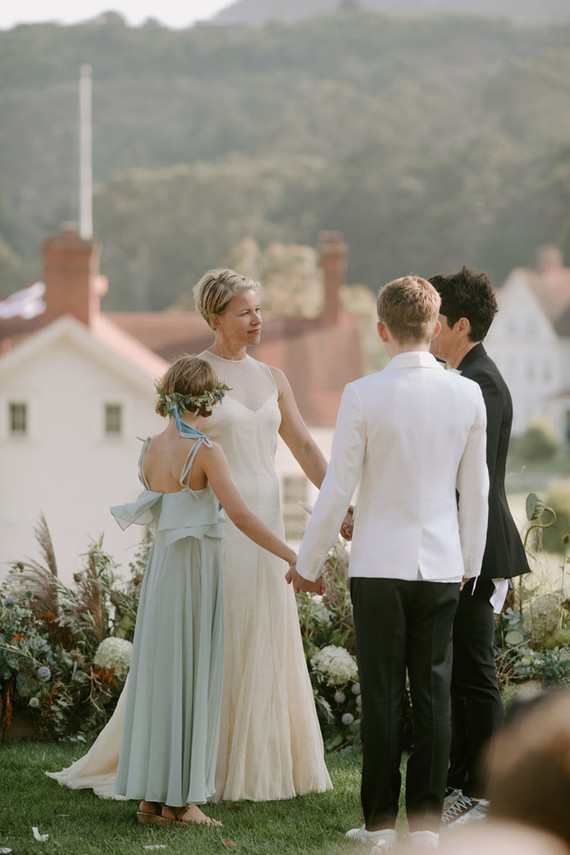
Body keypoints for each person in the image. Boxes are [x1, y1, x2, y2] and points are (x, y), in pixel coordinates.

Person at [48, 269, 332, 803]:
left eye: (258, 310)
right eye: (245, 311)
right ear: (214, 316)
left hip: (264, 517)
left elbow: (304, 448)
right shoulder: (192, 375)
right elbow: (173, 452)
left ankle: (262, 764)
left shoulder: (275, 378)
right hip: (217, 524)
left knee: (261, 629)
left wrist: (341, 505)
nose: (257, 320)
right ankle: (198, 767)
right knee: (213, 635)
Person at [287, 275, 489, 850]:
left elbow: (335, 491)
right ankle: (424, 827)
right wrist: (468, 561)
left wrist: (308, 563)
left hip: (378, 565)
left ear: (382, 329)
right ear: (434, 325)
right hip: (443, 565)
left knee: (379, 693)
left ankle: (378, 825)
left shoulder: (362, 393)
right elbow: (476, 489)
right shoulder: (466, 393)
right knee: (434, 693)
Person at [111, 354, 299, 826]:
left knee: (162, 679)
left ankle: (151, 802)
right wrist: (293, 555)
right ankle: (183, 802)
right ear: (210, 398)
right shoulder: (207, 451)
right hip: (196, 571)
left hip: (162, 575)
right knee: (194, 677)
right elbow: (241, 515)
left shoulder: (150, 449)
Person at [428, 267, 531, 822]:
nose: (429, 332)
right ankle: (462, 786)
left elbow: (469, 477)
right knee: (463, 672)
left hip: (481, 547)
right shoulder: (468, 376)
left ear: (461, 325)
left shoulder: (480, 384)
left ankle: (487, 794)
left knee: (474, 672)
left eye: (437, 322)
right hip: (466, 543)